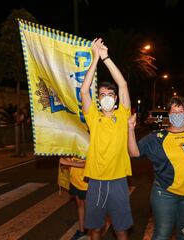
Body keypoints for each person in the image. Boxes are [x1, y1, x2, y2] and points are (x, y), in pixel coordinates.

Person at [128, 96, 184, 240]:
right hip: (164, 193)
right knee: (162, 234)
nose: (177, 115)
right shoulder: (156, 137)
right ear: (169, 115)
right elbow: (134, 152)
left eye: (181, 111)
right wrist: (130, 129)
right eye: (174, 112)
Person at [80, 38, 133, 240]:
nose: (107, 97)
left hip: (119, 180)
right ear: (98, 99)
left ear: (116, 98)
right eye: (102, 94)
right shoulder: (93, 116)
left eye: (111, 94)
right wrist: (95, 59)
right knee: (94, 228)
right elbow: (85, 91)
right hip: (96, 180)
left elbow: (123, 83)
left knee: (121, 229)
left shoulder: (122, 115)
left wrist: (106, 58)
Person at [59, 157, 88, 240]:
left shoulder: (89, 145)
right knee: (80, 205)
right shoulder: (73, 146)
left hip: (86, 183)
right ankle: (81, 231)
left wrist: (68, 163)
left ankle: (93, 233)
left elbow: (87, 164)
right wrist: (67, 160)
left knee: (89, 210)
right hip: (74, 181)